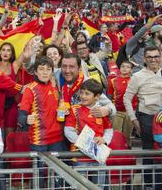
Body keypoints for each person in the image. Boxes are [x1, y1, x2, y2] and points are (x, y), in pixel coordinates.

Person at [19, 56, 64, 188]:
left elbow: (59, 111)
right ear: (36, 72)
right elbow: (22, 114)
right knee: (39, 175)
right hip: (39, 141)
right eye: (41, 69)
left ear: (52, 71)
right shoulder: (30, 89)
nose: (45, 72)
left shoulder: (55, 88)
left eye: (48, 69)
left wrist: (64, 112)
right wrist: (26, 120)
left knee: (57, 174)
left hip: (57, 139)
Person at [124, 45, 162, 188]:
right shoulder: (137, 76)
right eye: (150, 57)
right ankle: (149, 184)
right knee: (150, 152)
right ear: (145, 59)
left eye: (156, 56)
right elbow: (127, 98)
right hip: (147, 118)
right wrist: (133, 119)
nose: (153, 60)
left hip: (161, 117)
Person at [64, 79, 113, 187]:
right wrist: (84, 143)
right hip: (80, 156)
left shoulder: (101, 110)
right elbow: (68, 130)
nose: (83, 96)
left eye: (87, 94)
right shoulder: (74, 110)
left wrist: (104, 140)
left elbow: (109, 130)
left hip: (99, 155)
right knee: (79, 186)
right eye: (81, 92)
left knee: (99, 186)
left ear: (97, 96)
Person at [57, 53, 116, 118]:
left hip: (82, 125)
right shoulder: (56, 77)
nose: (67, 70)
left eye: (71, 67)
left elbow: (111, 107)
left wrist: (107, 110)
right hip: (63, 123)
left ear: (79, 68)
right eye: (64, 66)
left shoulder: (88, 83)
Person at [107, 60, 137, 147]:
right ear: (119, 68)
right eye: (123, 66)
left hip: (130, 112)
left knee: (127, 135)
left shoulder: (135, 80)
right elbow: (109, 96)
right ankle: (117, 152)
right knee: (116, 134)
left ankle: (128, 153)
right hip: (117, 111)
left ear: (131, 70)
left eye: (128, 67)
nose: (125, 68)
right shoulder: (113, 80)